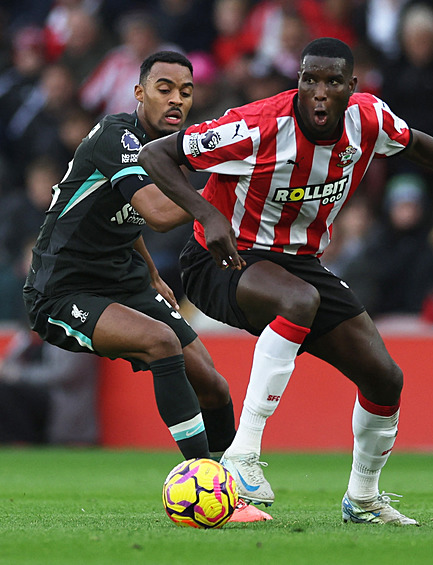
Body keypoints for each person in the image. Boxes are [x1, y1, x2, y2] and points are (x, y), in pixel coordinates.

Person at [138, 37, 433, 526]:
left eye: (331, 81)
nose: (318, 92)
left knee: (384, 378)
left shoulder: (368, 120)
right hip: (221, 257)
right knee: (298, 301)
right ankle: (241, 457)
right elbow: (156, 155)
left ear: (350, 87)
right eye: (308, 80)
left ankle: (363, 499)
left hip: (300, 262)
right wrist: (207, 215)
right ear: (297, 81)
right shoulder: (255, 126)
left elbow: (417, 144)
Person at [22, 50, 270, 522]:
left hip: (126, 278)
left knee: (213, 384)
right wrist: (223, 187)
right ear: (139, 93)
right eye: (164, 89)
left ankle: (229, 491)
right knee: (160, 344)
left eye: (186, 91)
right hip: (64, 289)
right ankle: (204, 487)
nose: (176, 100)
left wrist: (152, 274)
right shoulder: (117, 137)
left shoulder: (172, 150)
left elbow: (125, 213)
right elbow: (156, 213)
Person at [0, 328, 101, 445]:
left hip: (54, 401)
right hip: (30, 393)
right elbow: (7, 364)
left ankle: (12, 442)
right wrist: (24, 340)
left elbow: (64, 374)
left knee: (4, 393)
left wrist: (20, 375)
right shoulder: (29, 337)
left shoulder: (76, 335)